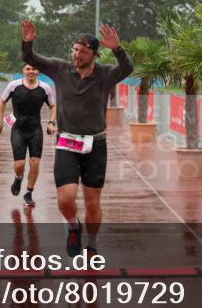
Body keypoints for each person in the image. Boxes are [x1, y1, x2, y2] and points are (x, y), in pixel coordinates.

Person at [21, 21, 134, 257]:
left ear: (94, 54)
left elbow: (127, 68)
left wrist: (117, 48)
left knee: (93, 202)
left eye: (83, 51)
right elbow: (30, 57)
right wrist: (28, 41)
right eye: (75, 50)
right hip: (67, 142)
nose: (77, 55)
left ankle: (92, 243)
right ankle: (74, 226)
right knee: (65, 198)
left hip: (96, 144)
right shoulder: (60, 69)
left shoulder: (105, 74)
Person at [0, 64, 56, 207]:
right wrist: (0, 123)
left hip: (35, 129)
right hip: (18, 129)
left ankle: (28, 192)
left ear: (38, 71)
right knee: (19, 164)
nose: (31, 72)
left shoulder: (45, 88)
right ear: (23, 70)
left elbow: (53, 106)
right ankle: (18, 177)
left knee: (35, 162)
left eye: (34, 69)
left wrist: (52, 122)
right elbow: (2, 101)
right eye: (28, 69)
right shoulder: (14, 85)